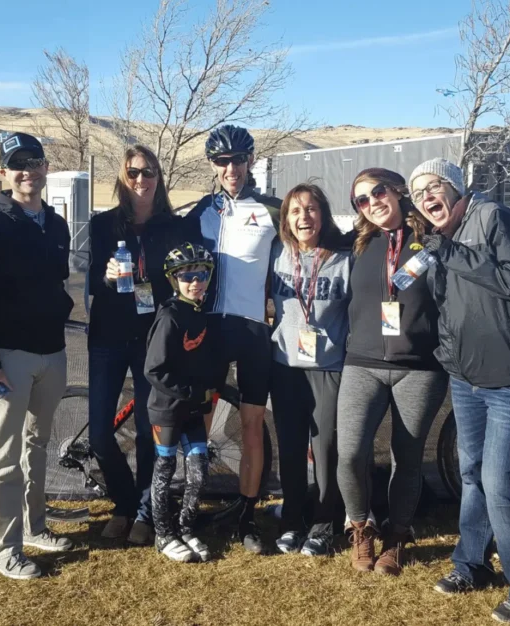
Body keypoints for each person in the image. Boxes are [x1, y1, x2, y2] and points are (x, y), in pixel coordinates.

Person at [409, 158, 510, 623]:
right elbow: (447, 306)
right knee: (471, 473)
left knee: (501, 486)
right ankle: (470, 565)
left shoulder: (499, 218)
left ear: (456, 188)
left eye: (435, 187)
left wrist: (444, 250)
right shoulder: (441, 241)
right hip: (467, 379)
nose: (427, 197)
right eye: (419, 194)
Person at [0, 132, 75, 580]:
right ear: (4, 173)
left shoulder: (56, 225)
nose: (29, 170)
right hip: (6, 357)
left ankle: (33, 527)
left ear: (47, 168)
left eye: (36, 161)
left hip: (51, 352)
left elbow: (56, 285)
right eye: (18, 163)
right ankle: (3, 548)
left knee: (37, 446)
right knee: (2, 455)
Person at [336, 168, 448, 576]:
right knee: (349, 453)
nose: (372, 203)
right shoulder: (357, 243)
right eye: (361, 200)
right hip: (362, 363)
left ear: (397, 191)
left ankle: (398, 536)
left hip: (420, 368)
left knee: (408, 457)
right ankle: (360, 527)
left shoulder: (434, 240)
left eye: (377, 192)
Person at [184, 124, 279, 554]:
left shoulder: (273, 210)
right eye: (222, 161)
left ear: (251, 160)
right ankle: (190, 508)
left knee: (252, 425)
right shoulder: (200, 212)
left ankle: (246, 516)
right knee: (199, 425)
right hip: (211, 330)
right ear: (212, 165)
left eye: (238, 160)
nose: (231, 168)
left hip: (256, 332)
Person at [88, 145, 183, 545]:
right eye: (133, 173)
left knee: (148, 432)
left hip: (152, 342)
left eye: (149, 173)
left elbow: (187, 281)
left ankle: (144, 510)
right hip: (109, 337)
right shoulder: (103, 225)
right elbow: (92, 284)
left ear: (159, 178)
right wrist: (109, 277)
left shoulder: (174, 227)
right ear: (122, 179)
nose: (141, 180)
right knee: (98, 436)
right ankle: (123, 503)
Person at [268, 183, 352, 557]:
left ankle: (323, 523)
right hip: (285, 366)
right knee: (289, 447)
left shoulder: (344, 257)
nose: (304, 217)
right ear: (286, 218)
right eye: (296, 210)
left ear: (324, 214)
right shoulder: (275, 253)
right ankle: (291, 521)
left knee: (326, 448)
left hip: (329, 367)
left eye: (312, 209)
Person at [144, 242, 217, 563]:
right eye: (187, 276)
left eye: (201, 274)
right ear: (175, 280)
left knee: (199, 471)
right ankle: (163, 535)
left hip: (192, 410)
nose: (195, 282)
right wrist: (193, 392)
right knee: (164, 471)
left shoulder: (200, 313)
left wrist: (220, 389)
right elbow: (154, 369)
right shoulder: (170, 317)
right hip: (167, 411)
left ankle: (186, 528)